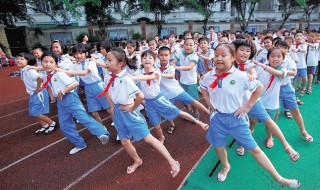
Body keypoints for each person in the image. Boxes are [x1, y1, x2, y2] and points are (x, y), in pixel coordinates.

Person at [200, 43, 300, 189]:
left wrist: (247, 106)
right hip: (217, 119)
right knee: (219, 146)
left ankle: (279, 178)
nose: (219, 58)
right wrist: (209, 103)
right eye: (216, 55)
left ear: (233, 57)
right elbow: (203, 87)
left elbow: (258, 87)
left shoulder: (241, 76)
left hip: (236, 118)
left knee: (254, 149)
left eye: (223, 55)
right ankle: (226, 166)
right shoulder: (208, 76)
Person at [101, 47, 181, 177]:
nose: (106, 63)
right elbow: (107, 91)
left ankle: (173, 162)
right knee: (124, 141)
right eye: (106, 60)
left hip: (129, 113)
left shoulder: (126, 79)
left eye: (109, 60)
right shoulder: (107, 76)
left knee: (149, 139)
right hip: (118, 113)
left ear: (120, 63)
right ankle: (137, 160)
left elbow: (140, 96)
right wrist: (111, 105)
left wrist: (132, 108)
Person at [232, 40, 299, 161]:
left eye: (279, 56)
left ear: (283, 59)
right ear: (268, 57)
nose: (276, 59)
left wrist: (257, 70)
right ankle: (244, 142)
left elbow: (259, 72)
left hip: (265, 102)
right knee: (249, 123)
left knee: (269, 123)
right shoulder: (252, 67)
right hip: (250, 100)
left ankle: (276, 141)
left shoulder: (281, 69)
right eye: (273, 56)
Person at [41, 52, 110, 155]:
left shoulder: (59, 74)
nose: (48, 64)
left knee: (83, 118)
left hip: (70, 98)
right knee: (64, 126)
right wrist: (52, 96)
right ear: (41, 63)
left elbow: (75, 83)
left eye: (51, 62)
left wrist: (62, 91)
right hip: (61, 102)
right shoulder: (46, 75)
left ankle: (102, 133)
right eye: (45, 62)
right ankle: (80, 144)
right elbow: (49, 85)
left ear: (56, 64)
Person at [157, 46, 210, 134]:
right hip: (166, 94)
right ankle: (172, 124)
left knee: (193, 101)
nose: (164, 57)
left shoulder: (171, 66)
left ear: (170, 56)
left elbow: (171, 76)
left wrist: (159, 74)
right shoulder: (155, 67)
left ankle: (208, 113)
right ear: (158, 56)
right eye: (161, 55)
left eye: (166, 55)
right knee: (168, 110)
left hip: (177, 91)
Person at [55, 43, 111, 126]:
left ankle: (119, 128)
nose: (78, 55)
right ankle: (102, 128)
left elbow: (84, 73)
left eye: (81, 53)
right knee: (94, 113)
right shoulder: (75, 65)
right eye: (76, 54)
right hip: (88, 88)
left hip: (98, 86)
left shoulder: (90, 62)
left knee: (109, 109)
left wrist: (65, 71)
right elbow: (68, 75)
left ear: (86, 54)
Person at [274, 40, 314, 142]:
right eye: (277, 47)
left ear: (287, 50)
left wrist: (284, 71)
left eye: (283, 47)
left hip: (286, 88)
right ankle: (271, 134)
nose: (280, 49)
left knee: (295, 110)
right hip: (274, 89)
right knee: (276, 112)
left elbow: (293, 72)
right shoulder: (271, 60)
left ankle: (303, 130)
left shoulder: (289, 60)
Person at [16, 52, 57, 134]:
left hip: (39, 93)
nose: (18, 60)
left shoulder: (29, 70)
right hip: (33, 94)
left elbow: (40, 78)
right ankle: (44, 125)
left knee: (37, 113)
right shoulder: (23, 70)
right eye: (17, 58)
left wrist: (38, 88)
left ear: (28, 61)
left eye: (21, 59)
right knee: (32, 112)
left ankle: (52, 123)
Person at [171, 38, 200, 120]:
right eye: (186, 45)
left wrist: (176, 67)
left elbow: (189, 67)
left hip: (191, 82)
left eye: (191, 45)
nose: (188, 47)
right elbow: (174, 61)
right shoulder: (181, 53)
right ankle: (189, 109)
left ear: (194, 46)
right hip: (183, 81)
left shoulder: (194, 56)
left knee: (193, 100)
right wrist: (171, 64)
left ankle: (196, 112)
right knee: (182, 98)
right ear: (183, 46)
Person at [293, 31, 308, 96]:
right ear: (294, 37)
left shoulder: (304, 44)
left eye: (300, 36)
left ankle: (303, 88)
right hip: (294, 65)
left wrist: (298, 50)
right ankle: (292, 89)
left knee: (304, 77)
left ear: (302, 37)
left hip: (302, 64)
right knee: (294, 78)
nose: (299, 37)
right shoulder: (292, 45)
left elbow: (304, 50)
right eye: (297, 36)